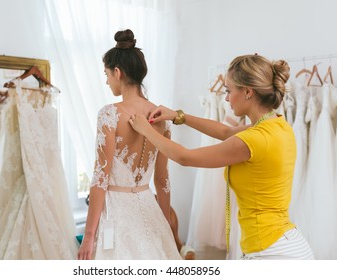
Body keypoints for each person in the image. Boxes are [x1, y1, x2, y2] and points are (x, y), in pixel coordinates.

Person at [129, 54, 315, 260]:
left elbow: (185, 157)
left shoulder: (254, 139)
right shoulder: (278, 125)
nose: (226, 98)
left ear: (247, 92)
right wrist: (177, 116)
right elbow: (225, 132)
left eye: (229, 90)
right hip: (287, 244)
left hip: (272, 252)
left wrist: (146, 130)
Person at [77, 29, 181, 260]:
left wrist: (89, 235)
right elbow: (162, 180)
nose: (106, 81)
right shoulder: (161, 115)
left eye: (106, 74)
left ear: (117, 72)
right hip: (149, 208)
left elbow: (100, 178)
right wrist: (166, 228)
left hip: (116, 212)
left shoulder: (109, 114)